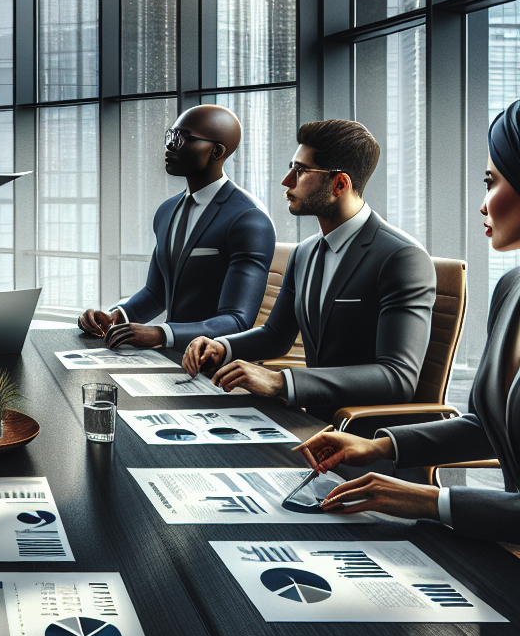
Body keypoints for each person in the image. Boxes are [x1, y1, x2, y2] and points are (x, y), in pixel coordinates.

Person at [294, 100, 520, 543]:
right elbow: (487, 428)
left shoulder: (399, 256)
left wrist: (426, 500)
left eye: (490, 182)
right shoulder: (511, 289)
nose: (481, 205)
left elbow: (396, 375)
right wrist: (380, 447)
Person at [182, 119, 437, 422]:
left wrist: (281, 382)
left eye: (301, 171)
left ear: (339, 184)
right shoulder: (304, 252)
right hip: (308, 424)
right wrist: (221, 347)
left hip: (366, 440)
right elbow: (276, 335)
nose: (287, 180)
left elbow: (397, 378)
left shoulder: (403, 258)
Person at [78, 105, 276, 354]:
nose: (171, 146)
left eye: (183, 139)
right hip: (169, 356)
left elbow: (237, 320)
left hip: (216, 365)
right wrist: (115, 316)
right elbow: (155, 293)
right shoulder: (166, 211)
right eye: (171, 136)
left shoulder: (249, 219)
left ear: (217, 151)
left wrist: (161, 333)